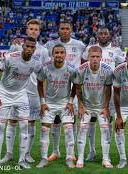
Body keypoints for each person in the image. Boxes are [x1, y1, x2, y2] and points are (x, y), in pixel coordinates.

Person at [1, 19, 50, 164]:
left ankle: (27, 153)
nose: (33, 31)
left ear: (39, 32)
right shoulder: (16, 46)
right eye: (31, 29)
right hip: (15, 91)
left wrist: (44, 99)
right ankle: (9, 153)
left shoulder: (43, 51)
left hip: (33, 92)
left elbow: (44, 76)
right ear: (26, 30)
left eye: (36, 29)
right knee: (12, 121)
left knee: (31, 123)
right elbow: (6, 66)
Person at [0, 37, 41, 169]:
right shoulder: (10, 57)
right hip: (4, 94)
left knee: (24, 125)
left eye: (32, 47)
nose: (29, 49)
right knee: (0, 126)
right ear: (23, 46)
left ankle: (21, 160)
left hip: (21, 94)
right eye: (27, 46)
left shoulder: (36, 62)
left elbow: (43, 76)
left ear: (35, 49)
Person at [82, 26, 125, 161]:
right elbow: (83, 65)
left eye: (105, 33)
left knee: (108, 120)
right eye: (101, 33)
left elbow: (122, 66)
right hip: (92, 90)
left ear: (109, 35)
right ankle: (92, 151)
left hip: (109, 91)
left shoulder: (116, 49)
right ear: (97, 35)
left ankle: (106, 154)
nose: (103, 35)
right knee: (91, 121)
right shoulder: (90, 48)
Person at [45, 21, 86, 161]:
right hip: (56, 88)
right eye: (62, 28)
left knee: (71, 121)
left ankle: (71, 152)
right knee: (56, 120)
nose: (64, 31)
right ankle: (55, 151)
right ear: (58, 30)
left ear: (71, 30)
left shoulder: (79, 45)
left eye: (67, 28)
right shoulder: (50, 45)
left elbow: (85, 62)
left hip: (73, 88)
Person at [36, 44, 77, 168]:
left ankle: (69, 158)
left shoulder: (71, 68)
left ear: (65, 55)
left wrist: (70, 101)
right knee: (44, 130)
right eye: (57, 52)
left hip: (65, 103)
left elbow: (76, 85)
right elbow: (39, 84)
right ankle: (44, 159)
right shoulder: (45, 67)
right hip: (49, 104)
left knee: (69, 130)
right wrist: (43, 103)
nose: (59, 55)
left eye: (61, 52)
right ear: (53, 54)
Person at [74, 46, 113, 168]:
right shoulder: (81, 70)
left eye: (97, 57)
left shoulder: (107, 70)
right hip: (87, 106)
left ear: (101, 57)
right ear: (88, 57)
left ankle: (106, 159)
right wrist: (80, 105)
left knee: (105, 130)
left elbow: (108, 89)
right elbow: (77, 88)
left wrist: (106, 107)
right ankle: (80, 158)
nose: (95, 59)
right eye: (92, 57)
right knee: (82, 129)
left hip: (101, 106)